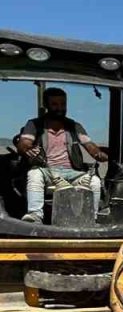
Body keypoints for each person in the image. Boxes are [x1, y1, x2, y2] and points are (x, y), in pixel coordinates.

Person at [16, 88, 107, 224]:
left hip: (73, 173)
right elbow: (24, 142)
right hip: (47, 171)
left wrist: (99, 154)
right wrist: (27, 148)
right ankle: (35, 215)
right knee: (34, 174)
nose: (60, 108)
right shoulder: (35, 124)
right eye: (55, 104)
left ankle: (91, 218)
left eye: (63, 104)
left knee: (94, 181)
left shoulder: (74, 126)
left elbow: (90, 146)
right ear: (46, 106)